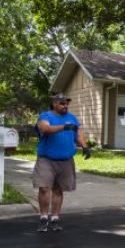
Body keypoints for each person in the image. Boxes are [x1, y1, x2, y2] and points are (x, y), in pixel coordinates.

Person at [32, 93, 91, 232]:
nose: (65, 106)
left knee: (58, 190)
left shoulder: (72, 118)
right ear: (54, 103)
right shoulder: (45, 116)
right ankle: (43, 218)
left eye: (66, 103)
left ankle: (55, 219)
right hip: (46, 159)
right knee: (44, 188)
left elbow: (78, 134)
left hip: (66, 160)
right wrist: (63, 127)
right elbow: (45, 129)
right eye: (62, 103)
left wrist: (85, 146)